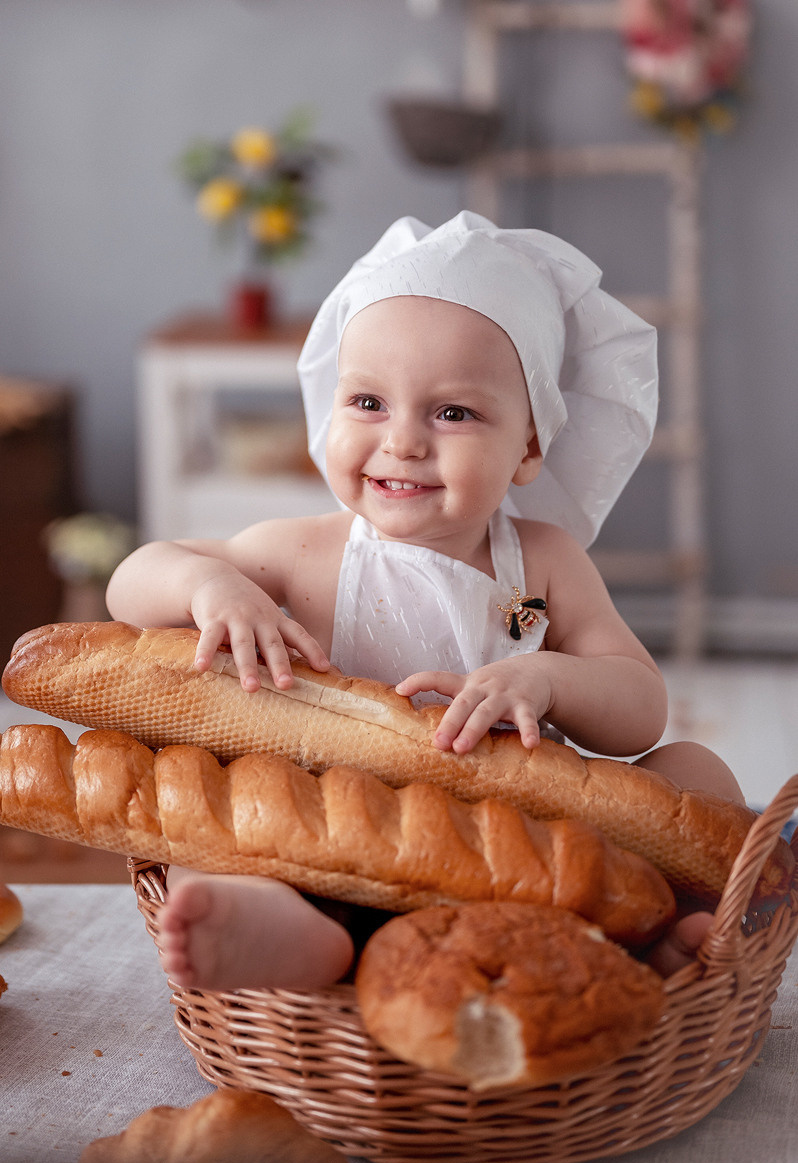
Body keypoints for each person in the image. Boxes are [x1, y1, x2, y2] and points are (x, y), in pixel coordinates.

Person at [106, 211, 744, 992]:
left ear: (530, 446)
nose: (403, 441)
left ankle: (650, 939)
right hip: (342, 853)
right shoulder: (305, 552)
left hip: (527, 855)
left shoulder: (538, 570)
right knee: (209, 822)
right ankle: (294, 938)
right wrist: (209, 585)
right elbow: (131, 581)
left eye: (453, 413)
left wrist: (546, 679)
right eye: (368, 402)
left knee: (695, 770)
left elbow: (640, 704)